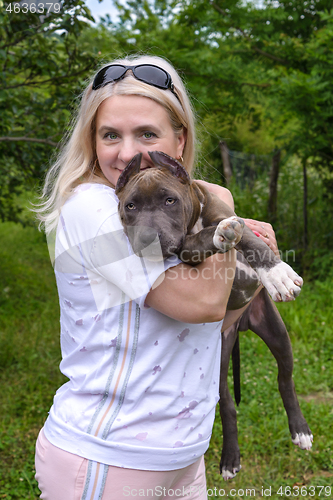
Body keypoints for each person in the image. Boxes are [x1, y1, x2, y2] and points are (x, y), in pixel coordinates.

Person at [34, 54, 277, 500]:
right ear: (92, 140)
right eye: (111, 135)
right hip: (109, 457)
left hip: (183, 453)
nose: (127, 152)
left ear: (179, 139)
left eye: (147, 133)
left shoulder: (166, 205)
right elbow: (201, 304)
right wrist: (223, 208)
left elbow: (220, 319)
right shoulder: (97, 210)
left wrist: (253, 267)